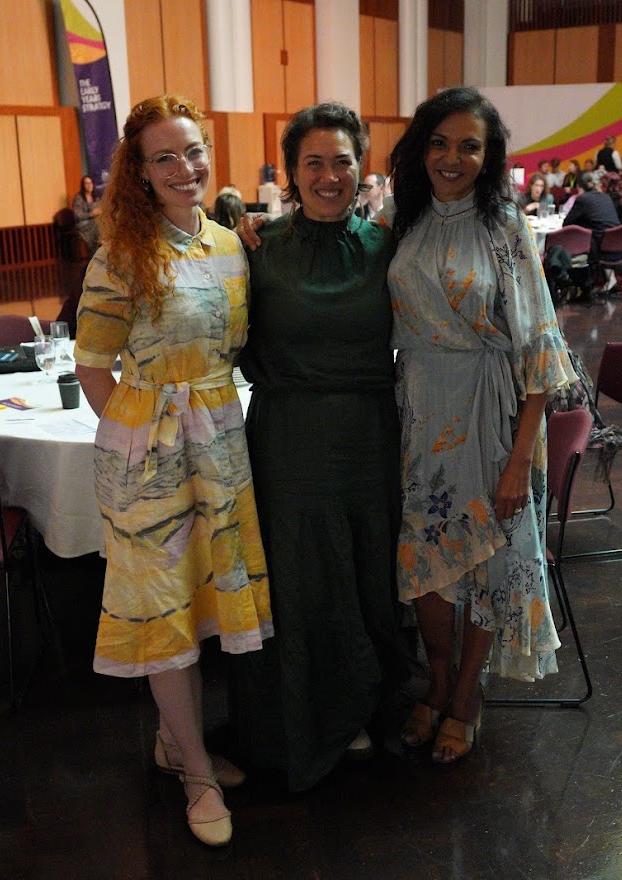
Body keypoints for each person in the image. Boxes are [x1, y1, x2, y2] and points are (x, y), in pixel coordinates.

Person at [72, 94, 272, 848]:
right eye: (165, 157)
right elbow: (93, 369)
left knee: (201, 602)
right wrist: (140, 442)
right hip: (150, 454)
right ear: (141, 171)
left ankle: (173, 742)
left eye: (192, 151)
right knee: (163, 609)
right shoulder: (121, 252)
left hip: (220, 438)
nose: (185, 168)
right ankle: (194, 771)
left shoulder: (227, 243)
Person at [388, 86, 576, 764]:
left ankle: (467, 697)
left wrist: (520, 461)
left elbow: (542, 351)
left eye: (470, 145)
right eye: (439, 143)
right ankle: (436, 684)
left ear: (489, 155)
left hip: (489, 413)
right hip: (419, 414)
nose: (452, 158)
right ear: (419, 149)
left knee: (485, 565)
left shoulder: (506, 230)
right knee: (429, 566)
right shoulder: (402, 220)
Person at [230, 102, 404, 791]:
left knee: (364, 567)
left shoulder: (388, 246)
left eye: (342, 160)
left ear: (362, 167)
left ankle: (365, 702)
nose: (329, 175)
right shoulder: (257, 247)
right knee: (300, 577)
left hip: (369, 432)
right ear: (291, 172)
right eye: (314, 162)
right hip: (288, 437)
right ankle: (302, 719)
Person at [71, 174, 101, 248]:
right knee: (98, 225)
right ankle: (96, 248)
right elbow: (77, 215)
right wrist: (91, 214)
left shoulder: (95, 197)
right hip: (83, 224)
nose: (89, 185)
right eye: (86, 183)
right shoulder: (78, 198)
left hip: (95, 221)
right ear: (83, 185)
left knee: (104, 223)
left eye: (90, 183)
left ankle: (103, 248)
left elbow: (100, 208)